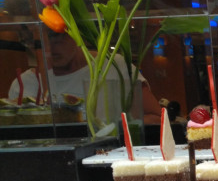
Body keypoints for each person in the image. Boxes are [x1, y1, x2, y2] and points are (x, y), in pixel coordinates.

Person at [7, 32, 161, 124]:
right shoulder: (23, 85)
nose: (50, 47)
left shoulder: (115, 65)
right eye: (39, 42)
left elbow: (156, 118)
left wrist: (112, 128)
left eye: (57, 37)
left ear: (75, 33)